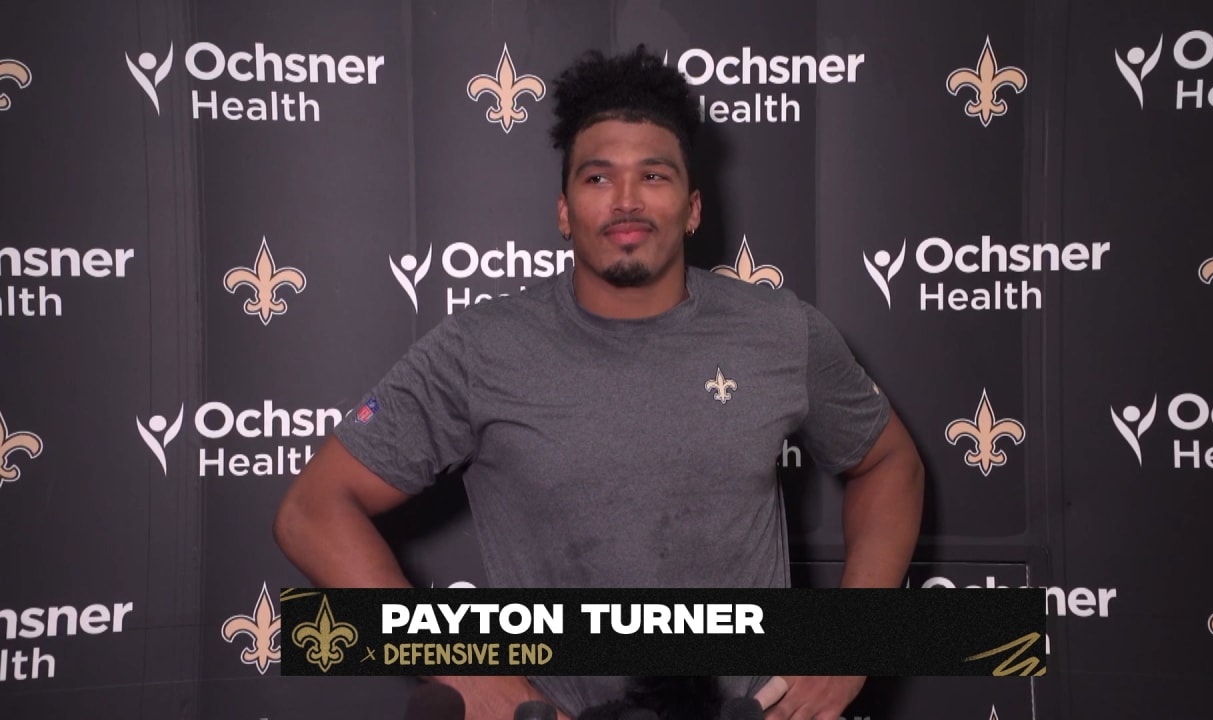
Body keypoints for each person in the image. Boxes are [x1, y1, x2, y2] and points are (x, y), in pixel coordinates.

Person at [273, 45, 924, 720]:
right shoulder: (480, 348)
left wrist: (852, 644)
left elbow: (889, 464)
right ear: (563, 212)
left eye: (654, 176)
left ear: (693, 208)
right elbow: (313, 512)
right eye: (597, 178)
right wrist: (462, 669)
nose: (626, 202)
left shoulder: (782, 331)